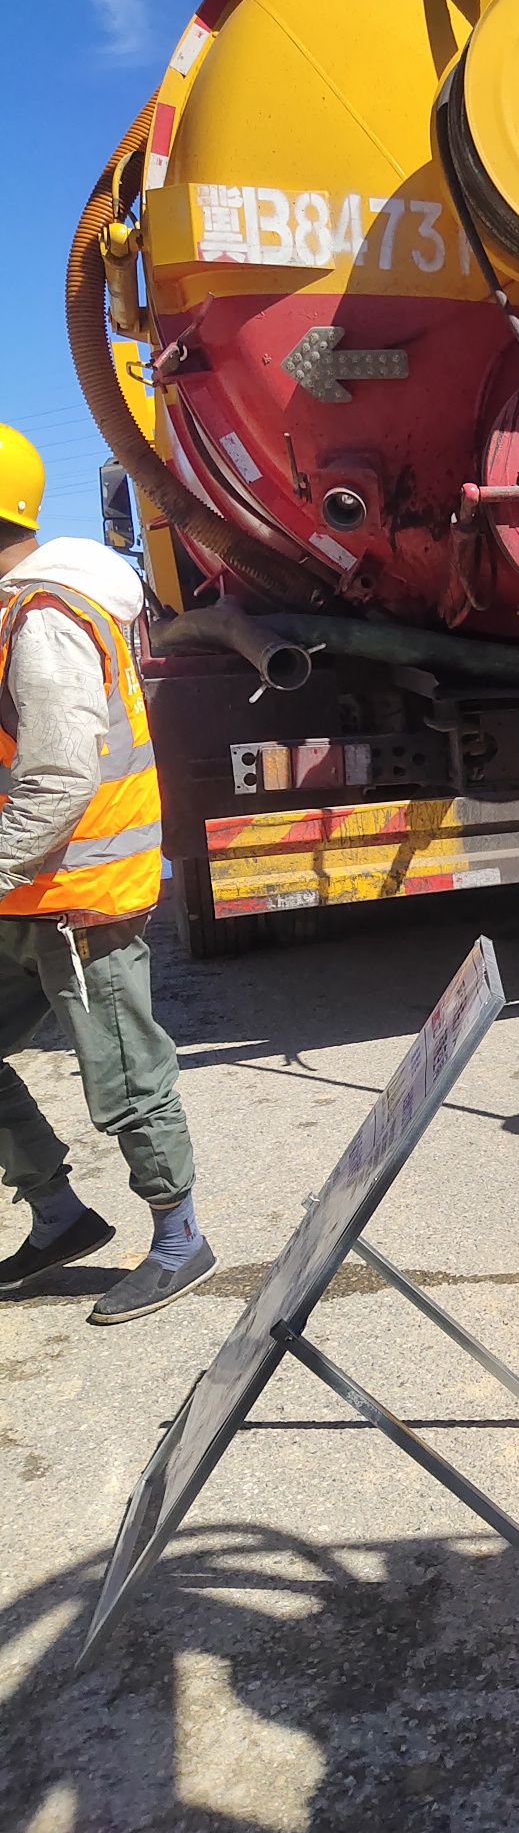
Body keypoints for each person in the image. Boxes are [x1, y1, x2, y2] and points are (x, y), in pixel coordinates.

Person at [0, 422, 216, 1322]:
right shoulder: (18, 613)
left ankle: (179, 1241)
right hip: (27, 893)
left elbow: (57, 774)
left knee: (124, 1079)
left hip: (82, 900)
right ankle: (58, 1215)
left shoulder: (44, 620)